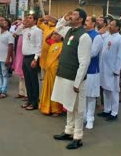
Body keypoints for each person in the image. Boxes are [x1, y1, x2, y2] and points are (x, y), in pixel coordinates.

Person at [52, 8, 92, 150]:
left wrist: (77, 82)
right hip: (65, 75)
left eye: (74, 15)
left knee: (78, 108)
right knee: (69, 106)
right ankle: (69, 131)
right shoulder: (69, 31)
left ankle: (78, 137)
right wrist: (64, 17)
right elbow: (57, 27)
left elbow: (84, 62)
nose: (71, 16)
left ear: (80, 19)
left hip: (76, 79)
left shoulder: (84, 37)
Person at [98, 19, 121, 121]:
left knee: (114, 91)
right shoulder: (107, 36)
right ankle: (107, 110)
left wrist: (116, 70)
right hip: (104, 68)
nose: (109, 26)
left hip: (113, 70)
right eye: (109, 25)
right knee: (106, 89)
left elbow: (120, 56)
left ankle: (114, 113)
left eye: (112, 25)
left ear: (117, 27)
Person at [15, 14, 42, 111]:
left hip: (32, 57)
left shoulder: (37, 31)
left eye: (30, 18)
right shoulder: (25, 30)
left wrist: (35, 59)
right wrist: (23, 23)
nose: (28, 20)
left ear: (35, 21)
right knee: (27, 80)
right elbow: (16, 32)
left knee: (33, 80)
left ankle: (34, 102)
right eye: (28, 18)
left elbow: (39, 45)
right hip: (25, 57)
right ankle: (29, 100)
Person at [84, 16, 103, 129]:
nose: (85, 23)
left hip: (92, 70)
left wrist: (79, 55)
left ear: (93, 23)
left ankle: (90, 118)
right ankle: (85, 116)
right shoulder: (83, 34)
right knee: (83, 95)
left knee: (91, 96)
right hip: (83, 69)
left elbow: (93, 53)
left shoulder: (97, 37)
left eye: (87, 21)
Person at [39, 31, 63, 116]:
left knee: (55, 89)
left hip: (56, 69)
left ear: (62, 36)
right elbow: (46, 39)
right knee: (47, 88)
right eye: (54, 34)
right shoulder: (53, 43)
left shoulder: (63, 45)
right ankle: (46, 107)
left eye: (57, 34)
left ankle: (56, 109)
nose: (54, 36)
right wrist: (53, 31)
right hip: (49, 69)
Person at [0, 18, 14, 98]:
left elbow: (10, 47)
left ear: (8, 27)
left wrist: (8, 58)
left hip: (4, 58)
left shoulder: (9, 35)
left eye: (5, 23)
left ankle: (4, 91)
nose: (2, 23)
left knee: (5, 75)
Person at [37, 15, 57, 79]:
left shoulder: (57, 29)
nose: (50, 22)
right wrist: (43, 18)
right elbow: (39, 23)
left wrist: (54, 19)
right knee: (44, 77)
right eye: (50, 20)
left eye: (52, 21)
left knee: (50, 77)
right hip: (44, 55)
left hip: (51, 55)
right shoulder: (46, 28)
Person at [12, 17, 27, 100]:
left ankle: (27, 94)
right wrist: (21, 25)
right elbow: (15, 33)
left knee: (25, 76)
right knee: (21, 76)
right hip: (19, 54)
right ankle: (21, 92)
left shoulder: (29, 31)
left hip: (25, 55)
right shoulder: (21, 31)